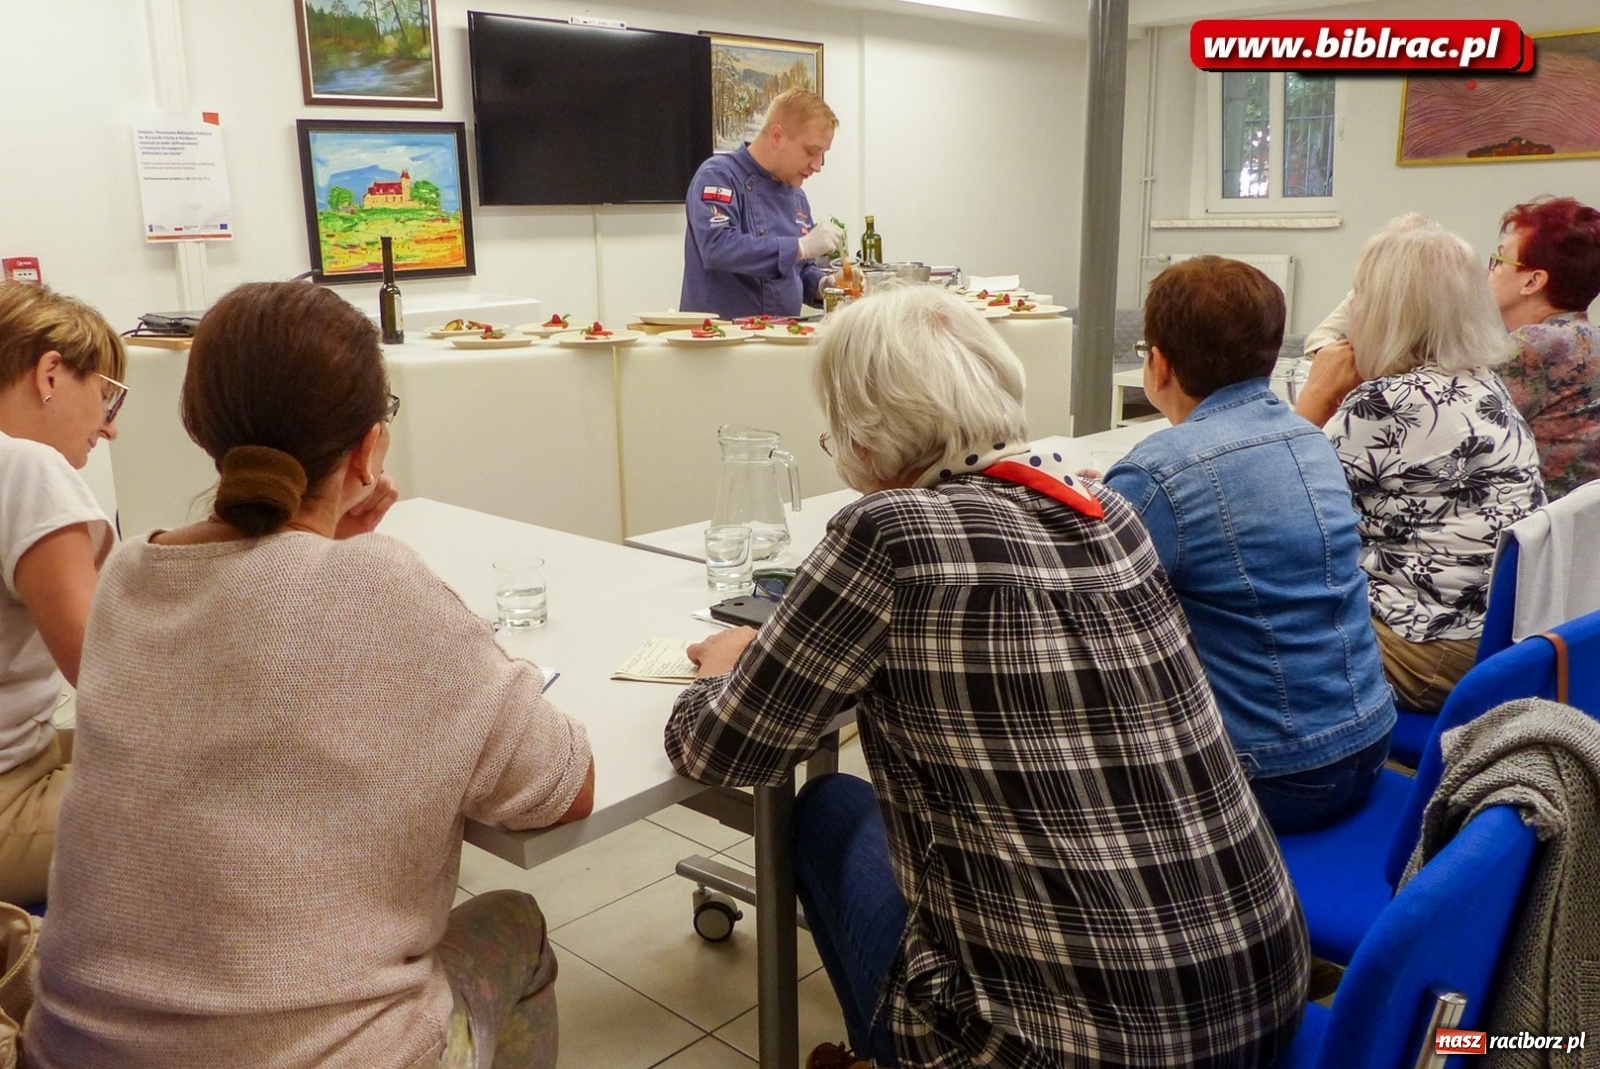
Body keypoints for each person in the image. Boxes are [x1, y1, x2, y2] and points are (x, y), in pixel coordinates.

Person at [665, 285, 1308, 1069]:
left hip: (1068, 1054)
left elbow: (722, 753)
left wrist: (723, 670)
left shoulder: (889, 531)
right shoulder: (1109, 514)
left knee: (829, 809)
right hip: (1263, 1003)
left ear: (866, 441)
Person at [24, 282, 595, 1069]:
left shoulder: (129, 576)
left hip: (75, 1049)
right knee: (517, 926)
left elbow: (260, 645)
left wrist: (334, 544)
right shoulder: (384, 588)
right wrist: (358, 563)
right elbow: (564, 786)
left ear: (203, 427)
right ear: (368, 448)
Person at [1103, 257, 1395, 833]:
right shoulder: (1310, 438)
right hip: (1370, 742)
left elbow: (1092, 622)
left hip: (1276, 776)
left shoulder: (1158, 472)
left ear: (1157, 363)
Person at [1295, 225, 1545, 713]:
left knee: (1226, 627)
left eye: (1361, 294)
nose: (1352, 313)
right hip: (1495, 640)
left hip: (1426, 650)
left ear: (1391, 311)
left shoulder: (1388, 401)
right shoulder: (1480, 382)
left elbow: (1274, 510)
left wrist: (1315, 398)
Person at [0, 280, 123, 909]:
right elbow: (109, 676)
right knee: (235, 783)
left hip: (26, 749)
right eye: (106, 398)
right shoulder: (25, 466)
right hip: (7, 795)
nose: (108, 430)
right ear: (50, 373)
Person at [679, 88, 845, 320]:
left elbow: (798, 269)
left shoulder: (796, 196)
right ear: (777, 136)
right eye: (811, 151)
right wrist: (800, 247)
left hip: (780, 338)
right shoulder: (719, 176)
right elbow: (718, 247)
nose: (817, 165)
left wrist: (824, 285)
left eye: (823, 155)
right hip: (721, 342)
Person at [1488, 195, 1600, 500]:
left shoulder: (1531, 348)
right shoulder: (1589, 337)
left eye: (1500, 261)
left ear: (1533, 281)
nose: (1490, 272)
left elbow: (1461, 430)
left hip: (1530, 526)